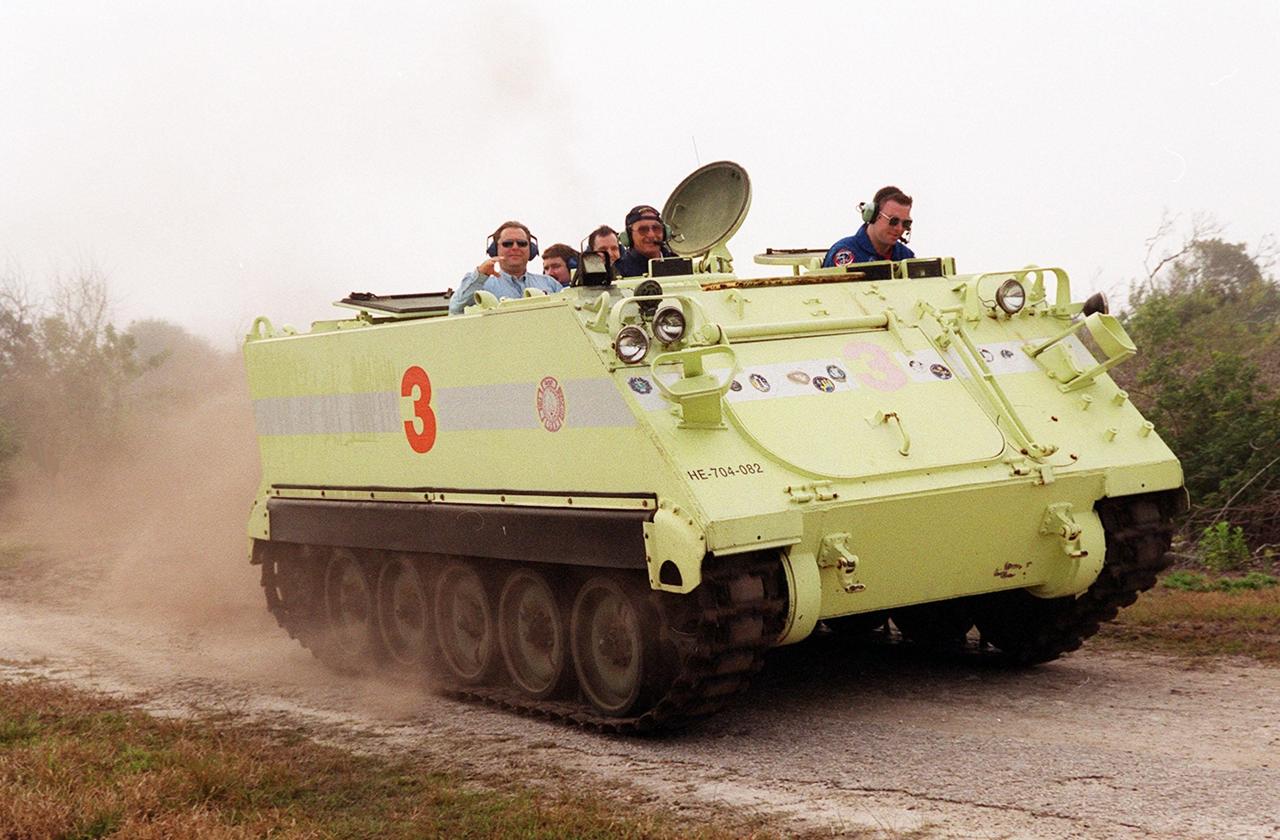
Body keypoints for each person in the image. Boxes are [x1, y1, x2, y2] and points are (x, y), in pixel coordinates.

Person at [449, 221, 561, 315]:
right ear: (495, 250)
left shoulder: (549, 283)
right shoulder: (480, 286)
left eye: (522, 243)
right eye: (507, 244)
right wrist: (480, 275)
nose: (515, 247)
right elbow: (456, 309)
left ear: (531, 250)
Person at [822, 186, 915, 268]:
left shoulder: (906, 256)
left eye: (906, 223)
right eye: (893, 221)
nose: (899, 228)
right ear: (873, 216)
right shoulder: (845, 255)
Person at [614, 205, 676, 277]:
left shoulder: (678, 263)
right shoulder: (618, 271)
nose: (651, 235)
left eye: (656, 228)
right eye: (643, 230)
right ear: (629, 236)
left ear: (665, 233)